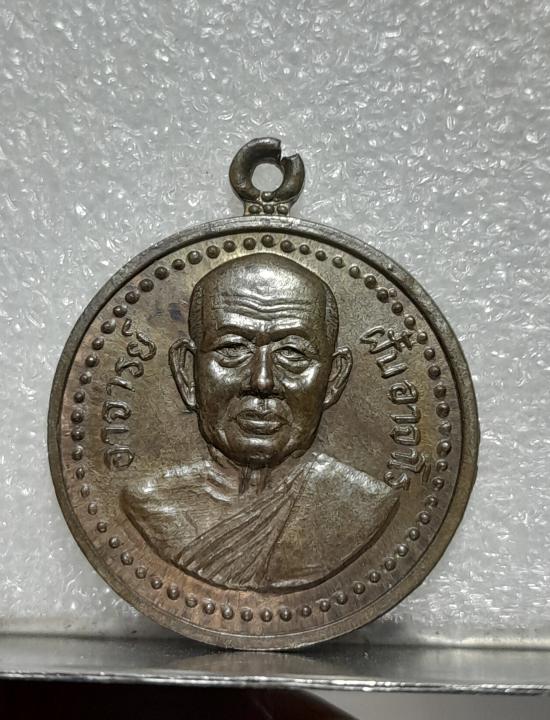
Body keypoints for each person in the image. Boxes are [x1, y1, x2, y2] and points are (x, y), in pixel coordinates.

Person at [122, 253, 398, 591]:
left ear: (334, 378)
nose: (262, 380)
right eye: (233, 349)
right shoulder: (150, 504)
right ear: (187, 373)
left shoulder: (361, 507)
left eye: (292, 353)